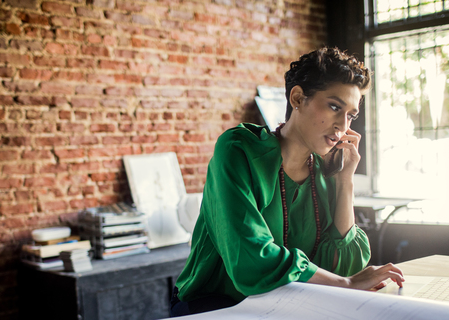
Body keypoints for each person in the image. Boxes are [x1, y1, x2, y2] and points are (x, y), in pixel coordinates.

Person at [170, 46, 404, 317]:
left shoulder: (325, 169)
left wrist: (344, 180)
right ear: (297, 98)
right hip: (214, 307)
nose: (343, 124)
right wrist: (347, 284)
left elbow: (346, 265)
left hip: (288, 307)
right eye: (334, 106)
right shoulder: (238, 151)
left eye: (351, 115)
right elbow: (251, 261)